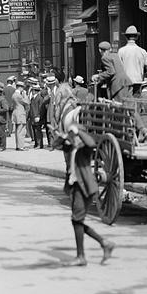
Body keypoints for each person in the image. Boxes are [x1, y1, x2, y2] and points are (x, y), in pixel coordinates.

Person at [51, 82, 114, 267]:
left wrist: (77, 130)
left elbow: (91, 143)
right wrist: (63, 136)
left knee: (76, 220)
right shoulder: (72, 146)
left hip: (84, 187)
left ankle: (86, 254)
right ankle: (102, 244)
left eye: (73, 134)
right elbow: (56, 144)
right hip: (76, 186)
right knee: (77, 221)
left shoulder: (84, 148)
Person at [118, 26, 147, 92]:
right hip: (138, 81)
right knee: (137, 100)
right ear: (137, 37)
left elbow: (118, 67)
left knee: (127, 100)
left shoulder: (121, 51)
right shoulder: (142, 51)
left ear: (126, 37)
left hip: (125, 82)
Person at [11, 81, 29, 151]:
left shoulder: (14, 95)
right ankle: (20, 146)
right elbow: (27, 102)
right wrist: (25, 95)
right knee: (21, 131)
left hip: (16, 113)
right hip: (20, 114)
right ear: (20, 87)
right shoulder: (18, 95)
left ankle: (18, 145)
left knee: (17, 130)